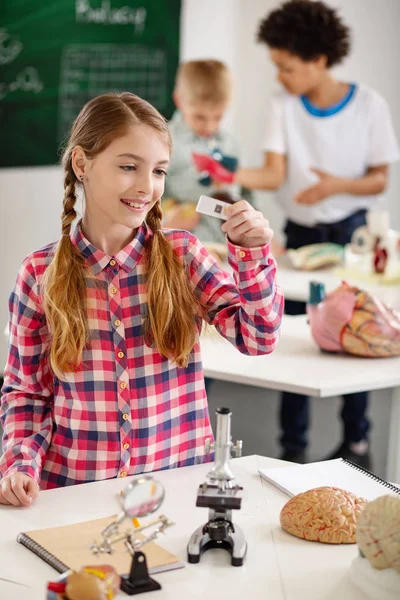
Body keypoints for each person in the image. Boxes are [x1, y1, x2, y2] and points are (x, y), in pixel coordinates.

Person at [0, 92, 284, 507]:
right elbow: (27, 393)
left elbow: (258, 339)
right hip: (74, 494)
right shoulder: (39, 273)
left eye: (159, 171)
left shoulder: (184, 257)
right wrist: (19, 464)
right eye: (128, 166)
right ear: (82, 164)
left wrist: (253, 254)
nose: (146, 187)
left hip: (176, 490)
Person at [231, 0, 399, 466]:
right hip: (301, 237)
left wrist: (334, 186)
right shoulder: (282, 105)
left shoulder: (368, 105)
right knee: (292, 337)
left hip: (353, 235)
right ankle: (292, 447)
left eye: (287, 67)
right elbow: (272, 173)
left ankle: (357, 443)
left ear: (318, 60)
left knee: (358, 335)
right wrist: (225, 173)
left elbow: (379, 179)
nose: (280, 77)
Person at [163, 59, 256, 260]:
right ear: (179, 100)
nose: (209, 126)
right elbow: (147, 200)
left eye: (218, 117)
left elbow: (248, 197)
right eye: (199, 117)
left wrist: (256, 232)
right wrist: (167, 222)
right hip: (181, 249)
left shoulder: (231, 144)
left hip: (228, 251)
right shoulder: (164, 143)